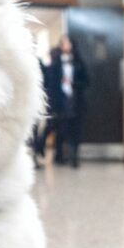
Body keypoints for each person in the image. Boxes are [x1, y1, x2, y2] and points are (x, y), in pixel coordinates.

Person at [43, 36, 88, 168]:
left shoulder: (79, 63)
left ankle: (75, 157)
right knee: (61, 130)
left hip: (76, 102)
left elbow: (86, 81)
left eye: (68, 42)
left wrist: (73, 83)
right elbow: (50, 84)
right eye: (63, 43)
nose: (66, 45)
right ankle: (60, 156)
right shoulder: (56, 63)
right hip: (60, 102)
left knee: (76, 131)